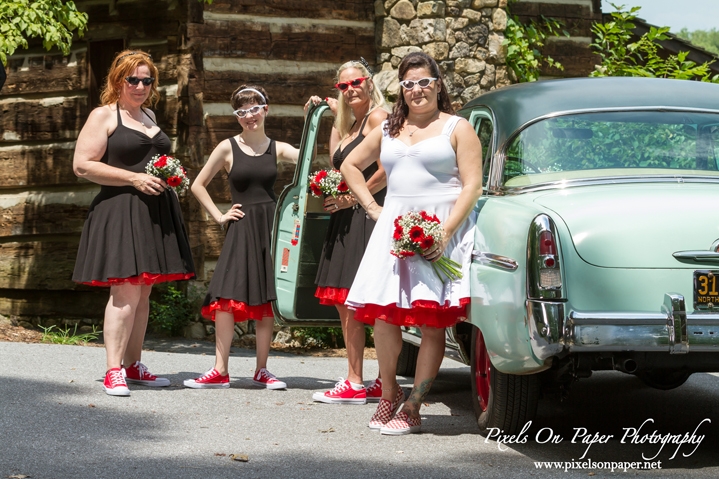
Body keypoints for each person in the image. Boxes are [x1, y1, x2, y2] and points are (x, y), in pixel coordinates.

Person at [341, 52, 482, 434]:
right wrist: (372, 207)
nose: (417, 90)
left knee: (430, 322)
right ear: (400, 90)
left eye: (423, 82)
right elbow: (349, 165)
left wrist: (445, 232)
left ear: (437, 83)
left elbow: (472, 185)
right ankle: (389, 394)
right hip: (393, 229)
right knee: (385, 316)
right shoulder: (387, 127)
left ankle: (414, 405)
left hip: (438, 230)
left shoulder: (458, 127)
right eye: (408, 84)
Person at [72, 50, 196, 396]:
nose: (140, 86)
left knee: (143, 293)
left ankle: (133, 364)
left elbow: (153, 160)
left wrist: (169, 175)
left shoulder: (149, 115)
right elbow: (82, 165)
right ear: (118, 80)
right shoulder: (104, 116)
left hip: (153, 212)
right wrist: (134, 179)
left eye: (147, 80)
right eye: (133, 79)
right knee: (125, 292)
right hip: (120, 208)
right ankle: (113, 370)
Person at [184, 85, 298, 390]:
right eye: (242, 111)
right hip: (241, 226)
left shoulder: (278, 148)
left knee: (264, 298)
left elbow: (311, 157)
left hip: (270, 227)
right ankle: (220, 369)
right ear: (237, 117)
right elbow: (198, 185)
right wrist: (220, 216)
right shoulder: (226, 147)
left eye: (255, 108)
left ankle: (262, 370)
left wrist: (316, 112)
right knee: (224, 297)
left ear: (266, 109)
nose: (250, 115)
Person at [305, 59, 390, 405]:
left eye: (355, 83)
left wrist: (352, 199)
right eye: (343, 86)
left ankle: (368, 381)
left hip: (368, 214)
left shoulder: (379, 118)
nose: (350, 89)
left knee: (366, 301)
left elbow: (386, 168)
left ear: (369, 83)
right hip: (346, 214)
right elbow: (336, 160)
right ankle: (363, 378)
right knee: (345, 301)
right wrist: (333, 113)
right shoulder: (352, 124)